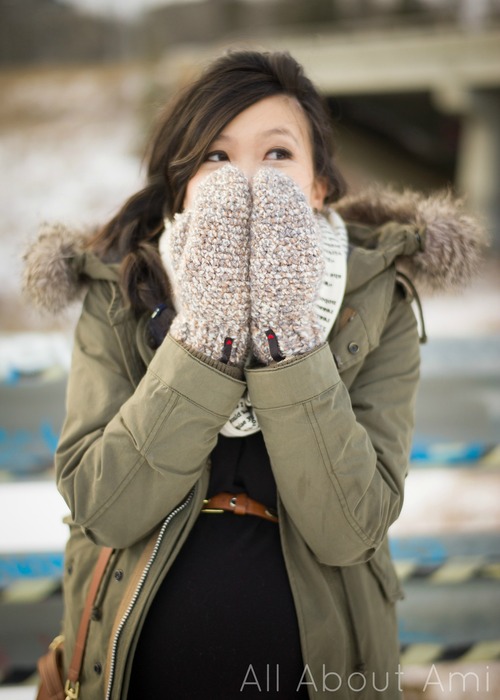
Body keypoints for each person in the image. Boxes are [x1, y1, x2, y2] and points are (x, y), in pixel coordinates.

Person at [24, 50, 485, 699]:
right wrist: (206, 338)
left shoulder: (378, 300)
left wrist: (287, 338)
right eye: (216, 156)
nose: (246, 178)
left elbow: (351, 527)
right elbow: (104, 507)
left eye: (277, 155)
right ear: (181, 185)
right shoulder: (117, 293)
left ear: (319, 184)